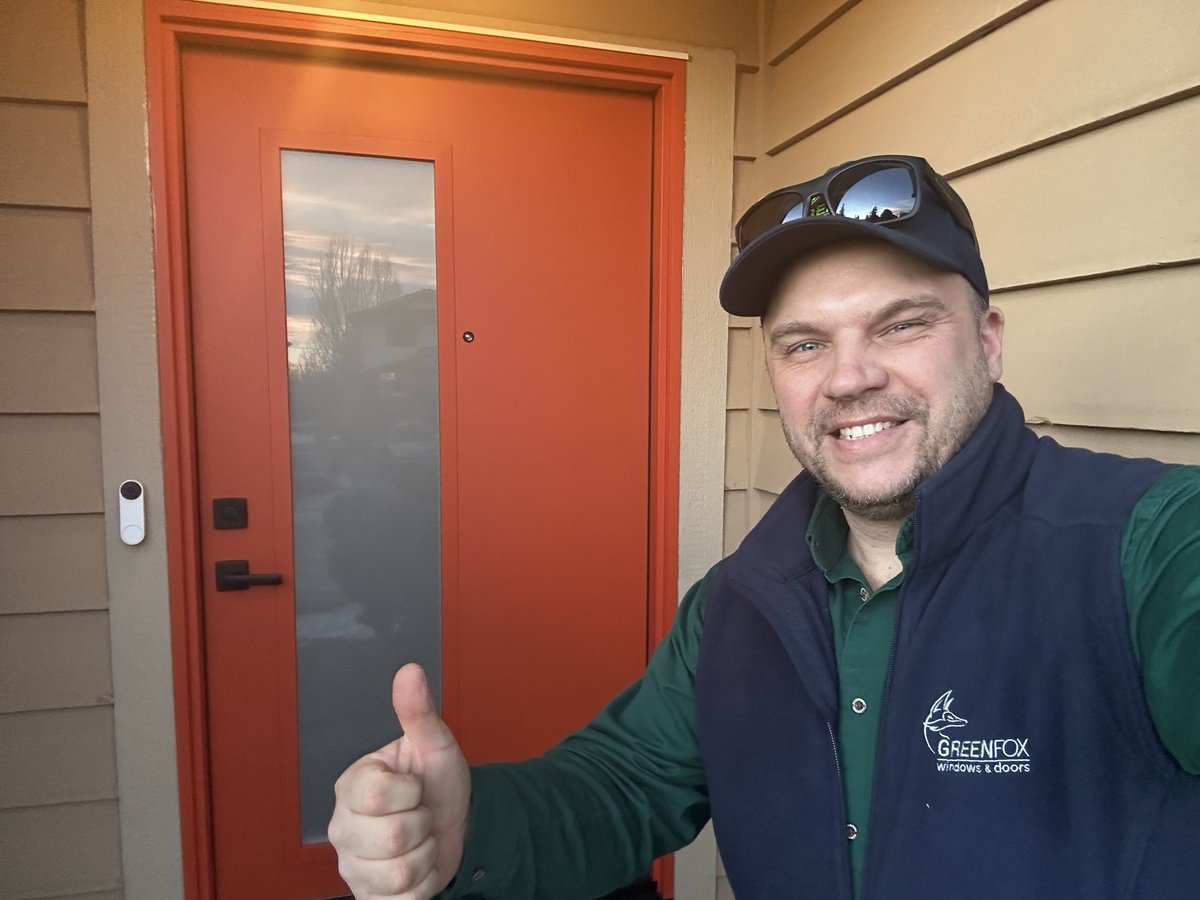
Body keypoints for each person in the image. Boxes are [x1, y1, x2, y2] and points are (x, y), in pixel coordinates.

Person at [327, 155, 1200, 899]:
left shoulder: (1148, 545)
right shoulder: (738, 604)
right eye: (805, 344)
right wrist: (467, 828)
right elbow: (622, 784)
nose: (849, 378)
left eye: (900, 325)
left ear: (990, 340)